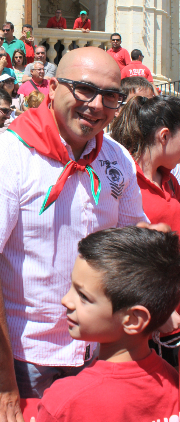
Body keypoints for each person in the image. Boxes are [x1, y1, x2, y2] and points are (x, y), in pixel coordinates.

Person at [0, 46, 151, 421]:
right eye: (83, 89)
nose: (96, 105)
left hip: (99, 350)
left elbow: (136, 241)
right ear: (51, 86)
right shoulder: (8, 155)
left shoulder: (116, 158)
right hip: (26, 356)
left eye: (110, 96)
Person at [36, 227, 180, 422]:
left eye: (84, 296)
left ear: (133, 320)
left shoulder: (64, 404)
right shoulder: (172, 381)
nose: (66, 300)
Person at [110, 95, 180, 365]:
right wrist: (159, 310)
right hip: (149, 319)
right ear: (164, 136)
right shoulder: (126, 183)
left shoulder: (170, 180)